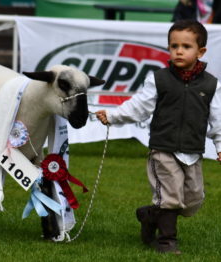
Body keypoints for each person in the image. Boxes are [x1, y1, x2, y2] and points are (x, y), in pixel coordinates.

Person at [95, 20, 221, 254]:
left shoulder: (212, 84)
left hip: (193, 151)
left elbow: (218, 118)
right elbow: (138, 107)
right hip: (163, 149)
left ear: (201, 51)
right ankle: (167, 241)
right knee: (171, 196)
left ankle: (149, 215)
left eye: (186, 46)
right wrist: (113, 116)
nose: (179, 51)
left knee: (192, 201)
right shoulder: (159, 79)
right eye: (174, 46)